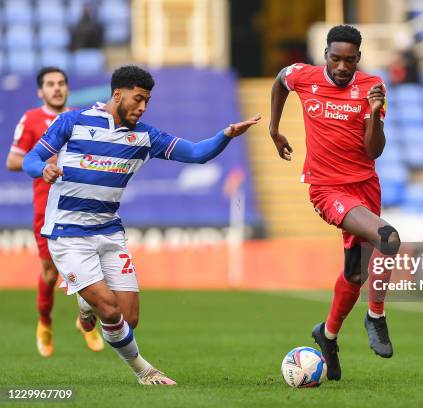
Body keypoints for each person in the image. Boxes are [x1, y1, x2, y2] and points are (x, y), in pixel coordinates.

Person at [22, 65, 261, 385]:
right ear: (117, 94)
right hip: (68, 231)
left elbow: (196, 153)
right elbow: (30, 160)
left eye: (147, 101)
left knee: (128, 318)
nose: (143, 107)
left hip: (108, 231)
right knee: (109, 310)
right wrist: (44, 170)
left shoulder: (145, 136)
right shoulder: (73, 121)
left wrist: (227, 135)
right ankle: (144, 371)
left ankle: (85, 300)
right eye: (138, 99)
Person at [269, 25, 401, 381]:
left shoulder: (372, 87)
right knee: (387, 238)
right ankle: (375, 315)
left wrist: (374, 112)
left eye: (349, 60)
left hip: (365, 188)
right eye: (335, 58)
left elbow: (374, 150)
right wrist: (273, 128)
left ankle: (326, 336)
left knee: (356, 273)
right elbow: (280, 80)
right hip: (327, 190)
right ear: (324, 55)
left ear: (358, 59)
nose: (342, 66)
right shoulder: (304, 76)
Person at [5, 66, 104, 357]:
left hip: (80, 205)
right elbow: (13, 161)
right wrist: (45, 161)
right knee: (49, 273)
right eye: (50, 84)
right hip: (46, 209)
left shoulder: (79, 118)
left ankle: (86, 321)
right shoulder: (32, 119)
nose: (57, 88)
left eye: (61, 83)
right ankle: (45, 322)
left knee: (90, 267)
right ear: (40, 91)